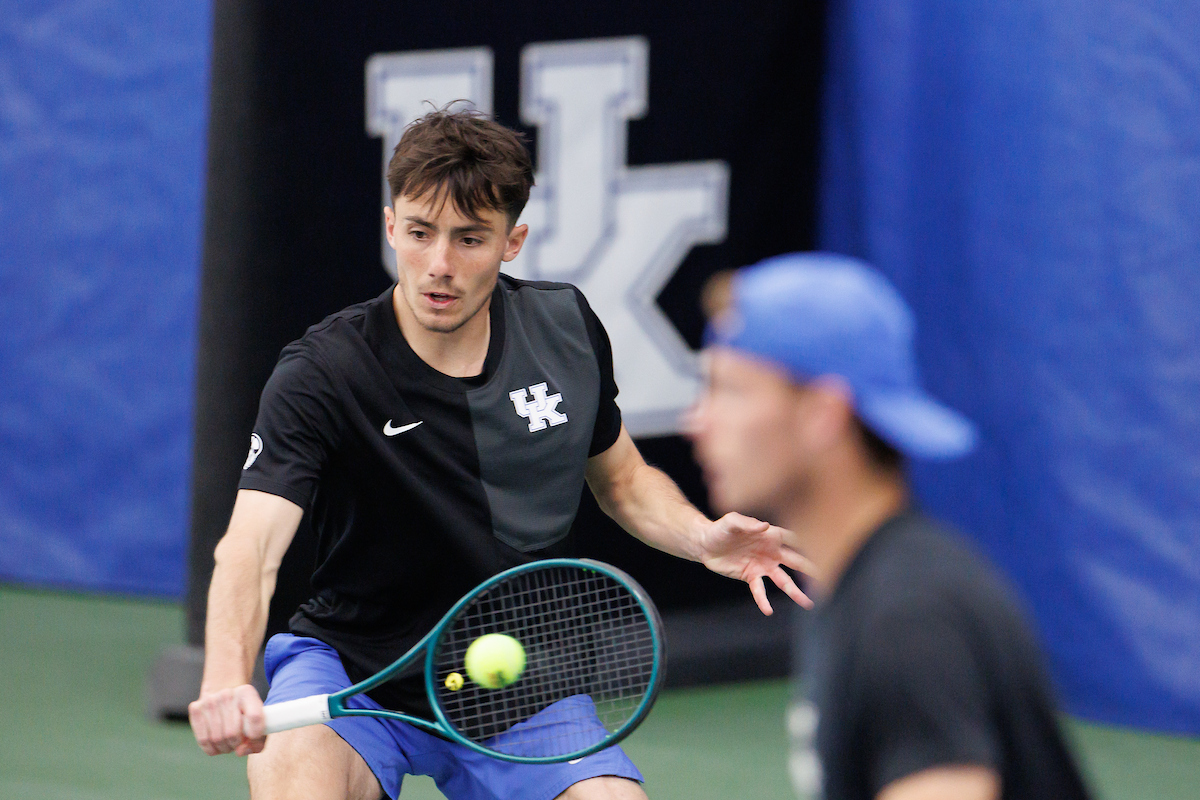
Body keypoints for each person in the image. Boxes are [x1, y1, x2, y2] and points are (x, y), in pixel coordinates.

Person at [187, 108, 811, 800]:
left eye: (470, 238)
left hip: (519, 676)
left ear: (512, 242)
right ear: (391, 226)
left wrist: (701, 537)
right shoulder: (324, 373)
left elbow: (623, 481)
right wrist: (225, 678)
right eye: (420, 233)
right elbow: (250, 547)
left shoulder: (564, 330)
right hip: (355, 667)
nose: (440, 265)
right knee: (293, 780)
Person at [686, 252, 1092, 800]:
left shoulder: (908, 614)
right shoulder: (862, 586)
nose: (698, 421)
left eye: (731, 391)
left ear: (822, 414)